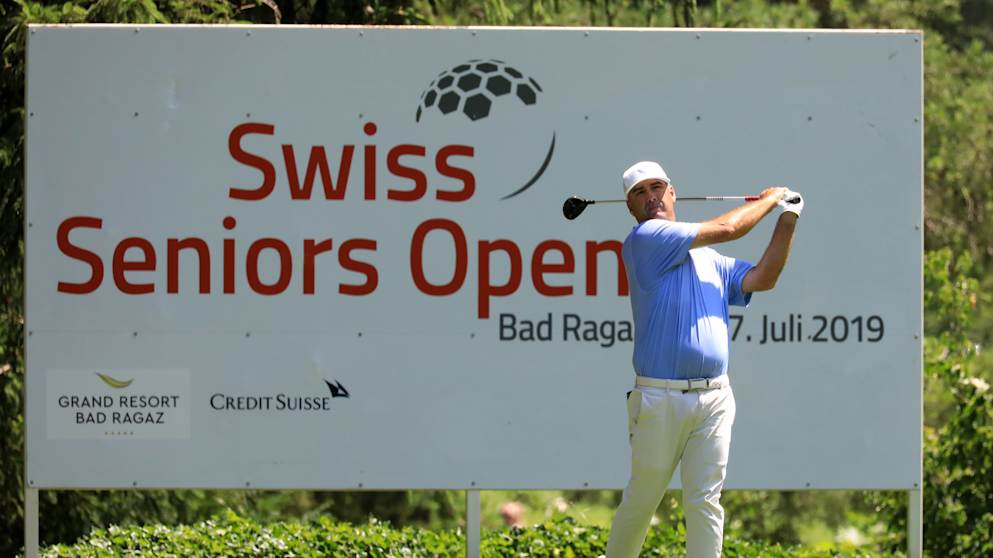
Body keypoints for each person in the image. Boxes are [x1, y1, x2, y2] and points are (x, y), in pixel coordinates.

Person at [605, 161, 802, 558]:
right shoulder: (646, 239)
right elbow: (731, 228)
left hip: (714, 397)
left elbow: (763, 277)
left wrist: (788, 218)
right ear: (630, 207)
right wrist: (769, 200)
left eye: (657, 187)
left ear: (673, 193)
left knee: (705, 501)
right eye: (639, 193)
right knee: (643, 500)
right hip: (660, 398)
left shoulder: (709, 259)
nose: (650, 198)